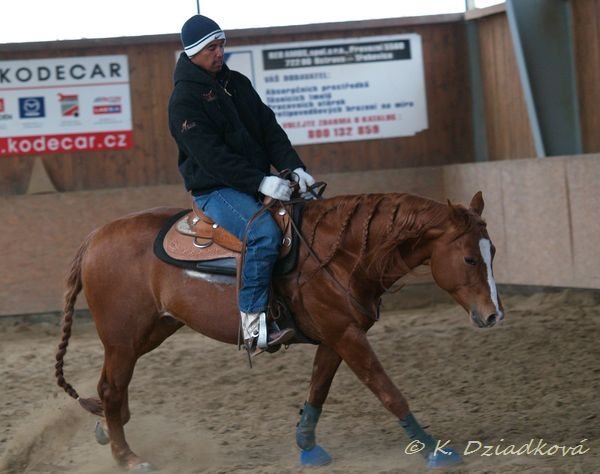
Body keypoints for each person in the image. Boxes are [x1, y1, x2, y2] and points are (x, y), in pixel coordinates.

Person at [168, 14, 316, 355]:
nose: (219, 53)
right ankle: (253, 324)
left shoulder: (237, 83)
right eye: (211, 48)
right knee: (263, 234)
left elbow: (269, 129)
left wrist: (294, 167)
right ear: (192, 52)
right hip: (214, 189)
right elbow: (211, 157)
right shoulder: (183, 101)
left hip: (251, 183)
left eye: (221, 45)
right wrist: (260, 181)